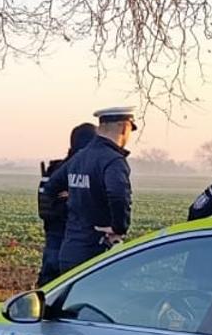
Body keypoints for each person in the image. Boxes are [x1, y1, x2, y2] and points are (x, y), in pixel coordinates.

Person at [57, 107, 138, 272]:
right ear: (124, 128)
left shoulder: (79, 157)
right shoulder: (113, 160)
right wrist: (118, 228)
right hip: (96, 254)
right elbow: (118, 195)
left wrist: (74, 205)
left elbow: (51, 188)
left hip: (70, 250)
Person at [36, 123, 97, 285]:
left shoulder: (55, 170)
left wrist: (70, 198)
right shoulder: (77, 171)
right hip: (70, 241)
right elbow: (47, 208)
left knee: (48, 287)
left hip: (54, 240)